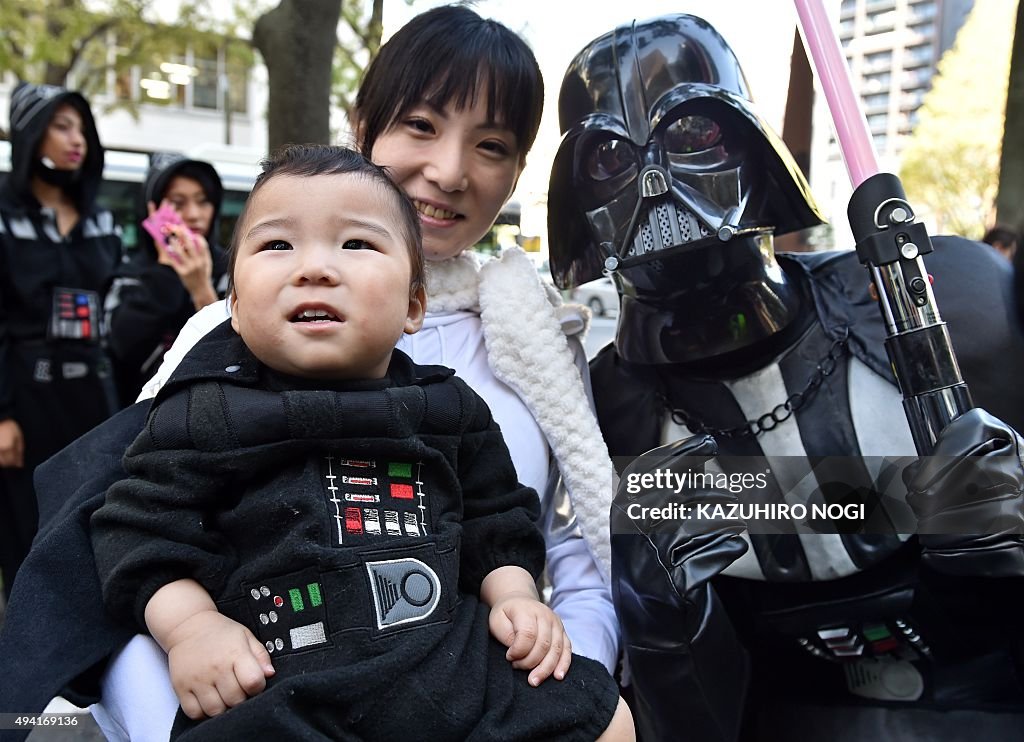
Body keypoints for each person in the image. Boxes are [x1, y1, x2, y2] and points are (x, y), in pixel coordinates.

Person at [0, 7, 619, 738]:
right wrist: (180, 674)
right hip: (277, 684)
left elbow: (551, 541)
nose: (449, 170)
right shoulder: (223, 347)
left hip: (465, 685)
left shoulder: (536, 339)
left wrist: (550, 639)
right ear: (362, 127)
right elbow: (128, 540)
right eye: (421, 125)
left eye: (490, 144)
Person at [547, 15, 1024, 742]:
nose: (653, 181)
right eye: (607, 156)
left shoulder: (952, 304)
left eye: (692, 135)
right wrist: (657, 621)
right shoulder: (603, 406)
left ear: (752, 149)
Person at [89, 143, 630, 740]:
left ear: (414, 304)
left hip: (448, 667)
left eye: (356, 244)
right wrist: (190, 628)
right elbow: (139, 532)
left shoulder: (449, 408)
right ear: (234, 307)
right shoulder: (202, 410)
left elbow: (497, 520)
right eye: (277, 245)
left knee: (607, 717)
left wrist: (516, 597)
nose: (315, 268)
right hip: (279, 683)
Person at [0, 82, 121, 600]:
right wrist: (1, 412)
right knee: (24, 530)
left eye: (83, 129)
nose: (78, 141)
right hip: (25, 397)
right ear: (31, 135)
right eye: (61, 126)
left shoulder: (101, 217)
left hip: (95, 395)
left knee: (93, 519)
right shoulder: (4, 214)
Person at [106, 152, 228, 406]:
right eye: (178, 202)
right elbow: (123, 346)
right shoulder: (133, 272)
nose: (194, 214)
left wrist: (201, 289)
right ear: (152, 209)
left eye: (203, 201)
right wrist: (165, 272)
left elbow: (234, 348)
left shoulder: (233, 268)